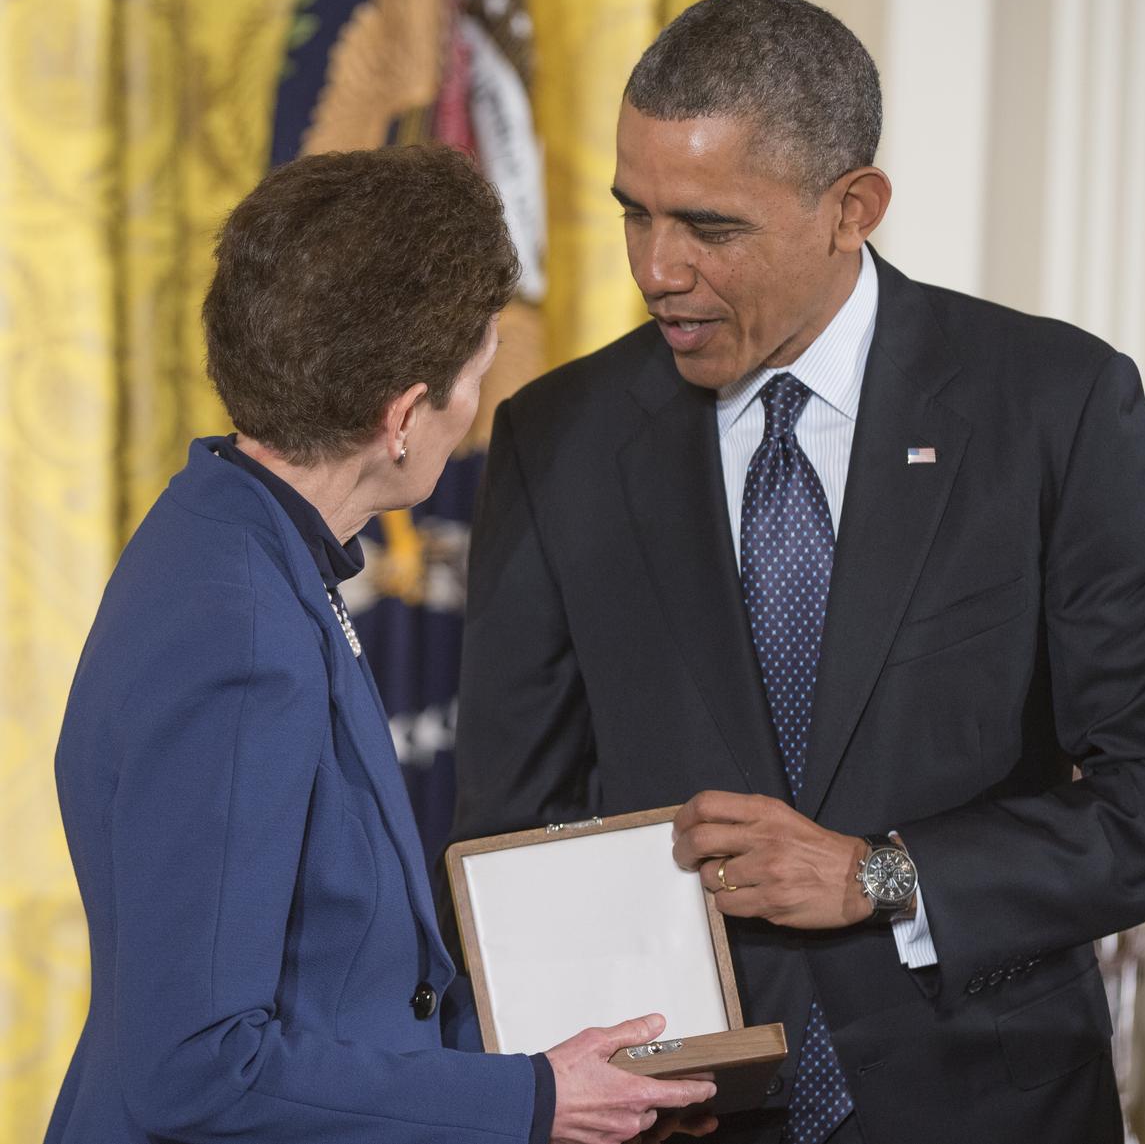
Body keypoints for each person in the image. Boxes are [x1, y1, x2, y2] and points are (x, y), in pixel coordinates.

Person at [449, 0, 1145, 1144]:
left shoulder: (1046, 405)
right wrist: (587, 1076)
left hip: (988, 1105)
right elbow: (513, 837)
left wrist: (885, 874)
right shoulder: (559, 439)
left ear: (851, 208)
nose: (656, 268)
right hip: (680, 1118)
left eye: (709, 227)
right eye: (634, 213)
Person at [46, 144, 715, 1144]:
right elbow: (196, 1070)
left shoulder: (231, 535)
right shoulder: (241, 630)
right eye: (477, 374)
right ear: (402, 416)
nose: (475, 411)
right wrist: (533, 1101)